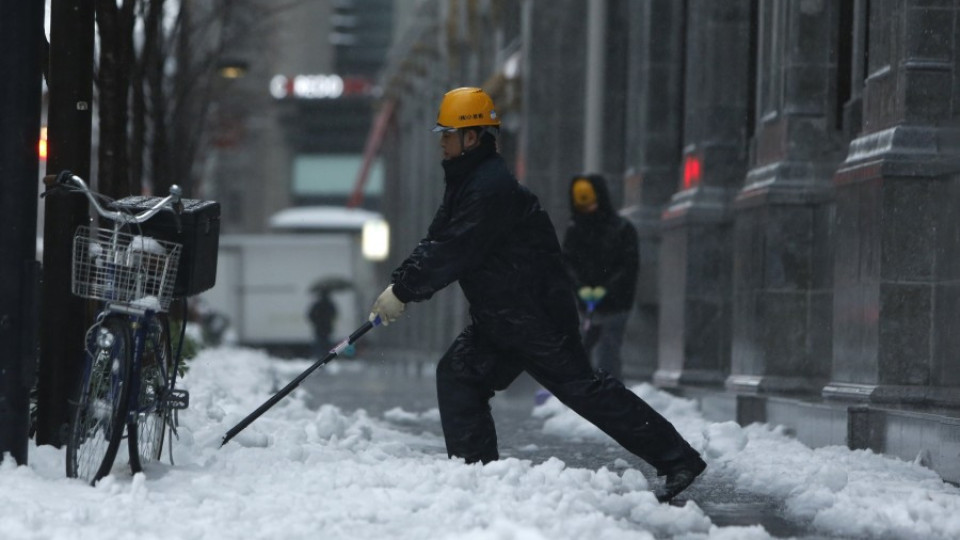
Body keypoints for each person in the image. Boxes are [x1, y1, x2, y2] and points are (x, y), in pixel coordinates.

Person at [367, 87, 705, 502]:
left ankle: (678, 458)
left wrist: (404, 291)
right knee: (458, 374)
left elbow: (455, 248)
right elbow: (437, 240)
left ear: (471, 137)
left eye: (448, 133)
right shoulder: (467, 181)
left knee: (584, 390)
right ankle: (478, 478)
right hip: (503, 317)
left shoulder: (490, 189)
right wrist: (399, 284)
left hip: (534, 317)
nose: (442, 141)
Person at [561, 174, 639, 381]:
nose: (587, 211)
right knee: (584, 349)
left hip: (616, 305)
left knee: (608, 351)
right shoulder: (575, 230)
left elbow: (627, 266)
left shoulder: (622, 230)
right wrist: (581, 288)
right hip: (586, 305)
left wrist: (606, 289)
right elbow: (568, 263)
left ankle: (609, 393)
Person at [307, 289, 336, 359]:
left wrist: (316, 322)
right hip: (327, 327)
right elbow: (334, 314)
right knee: (327, 344)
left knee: (319, 344)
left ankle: (319, 358)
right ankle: (327, 357)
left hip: (319, 328)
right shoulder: (330, 304)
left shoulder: (317, 304)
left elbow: (310, 315)